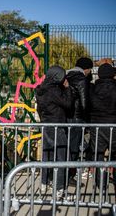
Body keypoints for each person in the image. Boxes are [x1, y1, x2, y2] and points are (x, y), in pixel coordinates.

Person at [35, 65, 72, 200]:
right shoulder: (54, 91)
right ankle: (59, 188)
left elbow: (39, 109)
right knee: (61, 157)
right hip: (57, 125)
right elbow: (68, 104)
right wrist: (67, 89)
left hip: (45, 124)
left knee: (47, 154)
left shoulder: (41, 90)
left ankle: (44, 182)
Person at [89, 64, 116, 186]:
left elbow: (89, 106)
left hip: (97, 125)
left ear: (99, 75)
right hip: (114, 124)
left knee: (98, 154)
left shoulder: (93, 89)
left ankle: (100, 183)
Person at [66, 57, 93, 172]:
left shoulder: (66, 76)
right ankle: (69, 174)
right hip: (77, 117)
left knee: (66, 145)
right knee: (74, 146)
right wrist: (87, 118)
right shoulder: (82, 79)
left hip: (65, 116)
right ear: (86, 69)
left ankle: (63, 173)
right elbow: (84, 103)